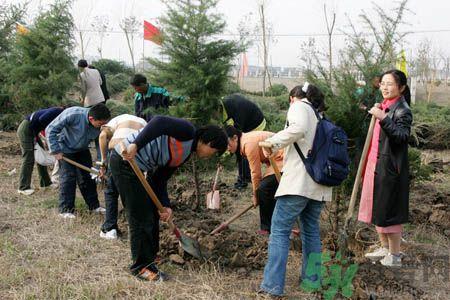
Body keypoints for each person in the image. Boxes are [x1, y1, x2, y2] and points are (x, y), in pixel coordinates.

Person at [110, 115, 227, 281]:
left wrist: (165, 206)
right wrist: (136, 145)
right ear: (208, 142)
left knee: (151, 211)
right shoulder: (187, 131)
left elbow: (159, 179)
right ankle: (141, 267)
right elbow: (159, 122)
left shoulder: (185, 154)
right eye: (214, 152)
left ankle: (151, 257)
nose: (210, 156)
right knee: (141, 216)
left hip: (137, 168)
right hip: (124, 161)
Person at [258, 83, 332, 297]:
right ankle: (312, 281)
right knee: (311, 231)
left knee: (280, 230)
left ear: (295, 97)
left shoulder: (300, 106)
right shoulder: (320, 116)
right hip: (319, 185)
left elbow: (297, 129)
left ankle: (272, 286)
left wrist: (272, 141)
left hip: (299, 183)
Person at [358, 69, 412, 267]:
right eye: (382, 84)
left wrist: (383, 117)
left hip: (390, 168)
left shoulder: (402, 110)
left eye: (390, 84)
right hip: (376, 163)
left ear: (401, 88)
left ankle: (395, 255)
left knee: (390, 210)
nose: (385, 87)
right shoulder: (386, 105)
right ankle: (383, 248)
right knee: (378, 206)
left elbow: (401, 137)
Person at [46, 103, 111, 219]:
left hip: (82, 149)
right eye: (100, 123)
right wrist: (55, 150)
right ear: (91, 119)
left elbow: (101, 144)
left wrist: (102, 163)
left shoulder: (101, 126)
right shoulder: (73, 114)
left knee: (87, 177)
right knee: (68, 178)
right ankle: (65, 210)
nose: (102, 126)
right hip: (65, 148)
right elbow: (51, 129)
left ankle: (94, 206)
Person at [225, 125, 283, 235]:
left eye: (228, 143)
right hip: (276, 161)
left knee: (263, 189)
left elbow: (256, 173)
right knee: (268, 189)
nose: (228, 148)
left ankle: (266, 228)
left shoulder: (248, 143)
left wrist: (256, 195)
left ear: (235, 138)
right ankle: (275, 224)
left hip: (283, 160)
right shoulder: (245, 141)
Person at [98, 114, 147, 239]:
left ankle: (110, 228)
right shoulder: (143, 122)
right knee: (133, 193)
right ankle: (138, 228)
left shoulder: (116, 120)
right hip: (136, 157)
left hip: (118, 153)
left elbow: (103, 136)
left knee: (111, 191)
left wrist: (103, 161)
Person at [221, 94, 266, 189]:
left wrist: (226, 153)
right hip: (245, 121)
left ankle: (244, 180)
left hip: (256, 123)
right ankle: (246, 177)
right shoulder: (223, 105)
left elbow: (237, 137)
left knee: (243, 149)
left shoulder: (237, 109)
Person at [17, 106, 65, 195]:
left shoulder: (60, 112)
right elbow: (42, 119)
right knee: (28, 158)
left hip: (33, 130)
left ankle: (45, 183)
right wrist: (48, 132)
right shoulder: (58, 111)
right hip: (27, 129)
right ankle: (23, 187)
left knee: (41, 155)